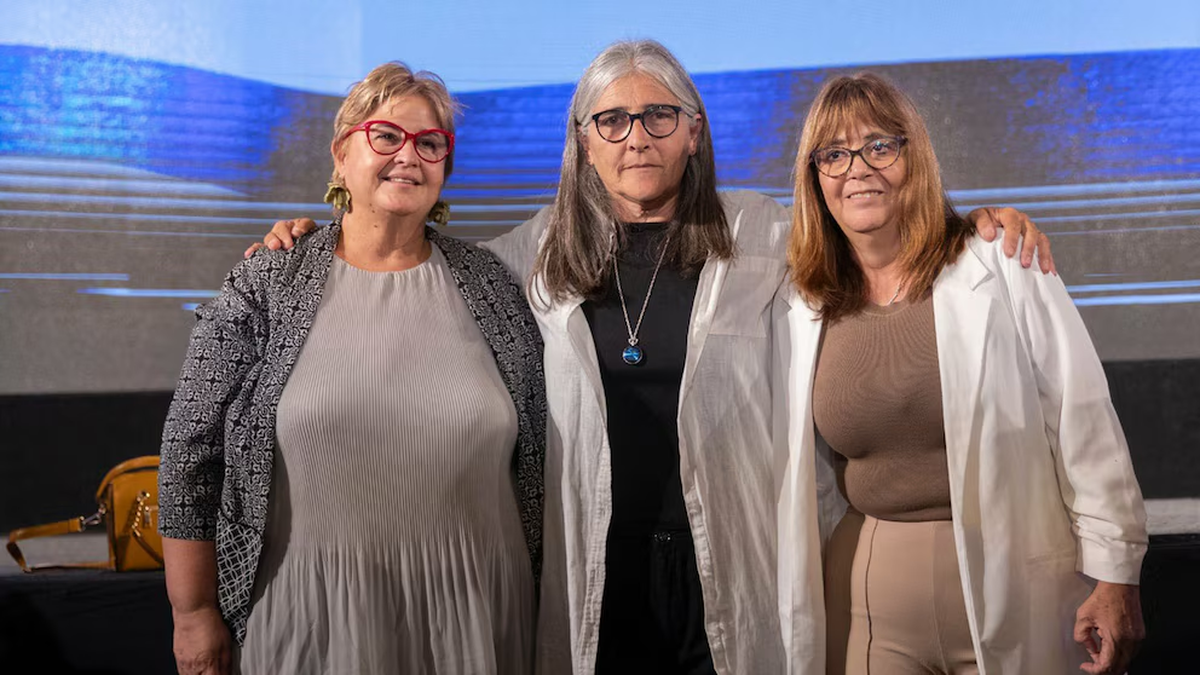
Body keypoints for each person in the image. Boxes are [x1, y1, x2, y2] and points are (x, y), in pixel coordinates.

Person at [252, 42, 1054, 674]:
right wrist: (318, 237)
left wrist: (972, 223)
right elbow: (407, 258)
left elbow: (868, 226)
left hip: (730, 562)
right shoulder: (521, 260)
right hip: (596, 570)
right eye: (613, 120)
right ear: (584, 142)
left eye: (659, 116)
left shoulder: (766, 234)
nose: (637, 136)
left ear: (693, 131)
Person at [157, 62, 546, 675]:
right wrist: (193, 612)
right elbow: (188, 449)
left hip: (479, 618)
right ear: (341, 155)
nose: (408, 156)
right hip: (310, 618)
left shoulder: (495, 286)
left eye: (430, 144)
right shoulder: (269, 280)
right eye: (386, 135)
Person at [776, 73, 1147, 675]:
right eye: (834, 154)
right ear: (815, 177)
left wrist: (1117, 576)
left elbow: (1082, 419)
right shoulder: (802, 301)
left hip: (1015, 582)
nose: (857, 168)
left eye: (879, 145)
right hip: (868, 602)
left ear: (912, 155)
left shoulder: (1003, 261)